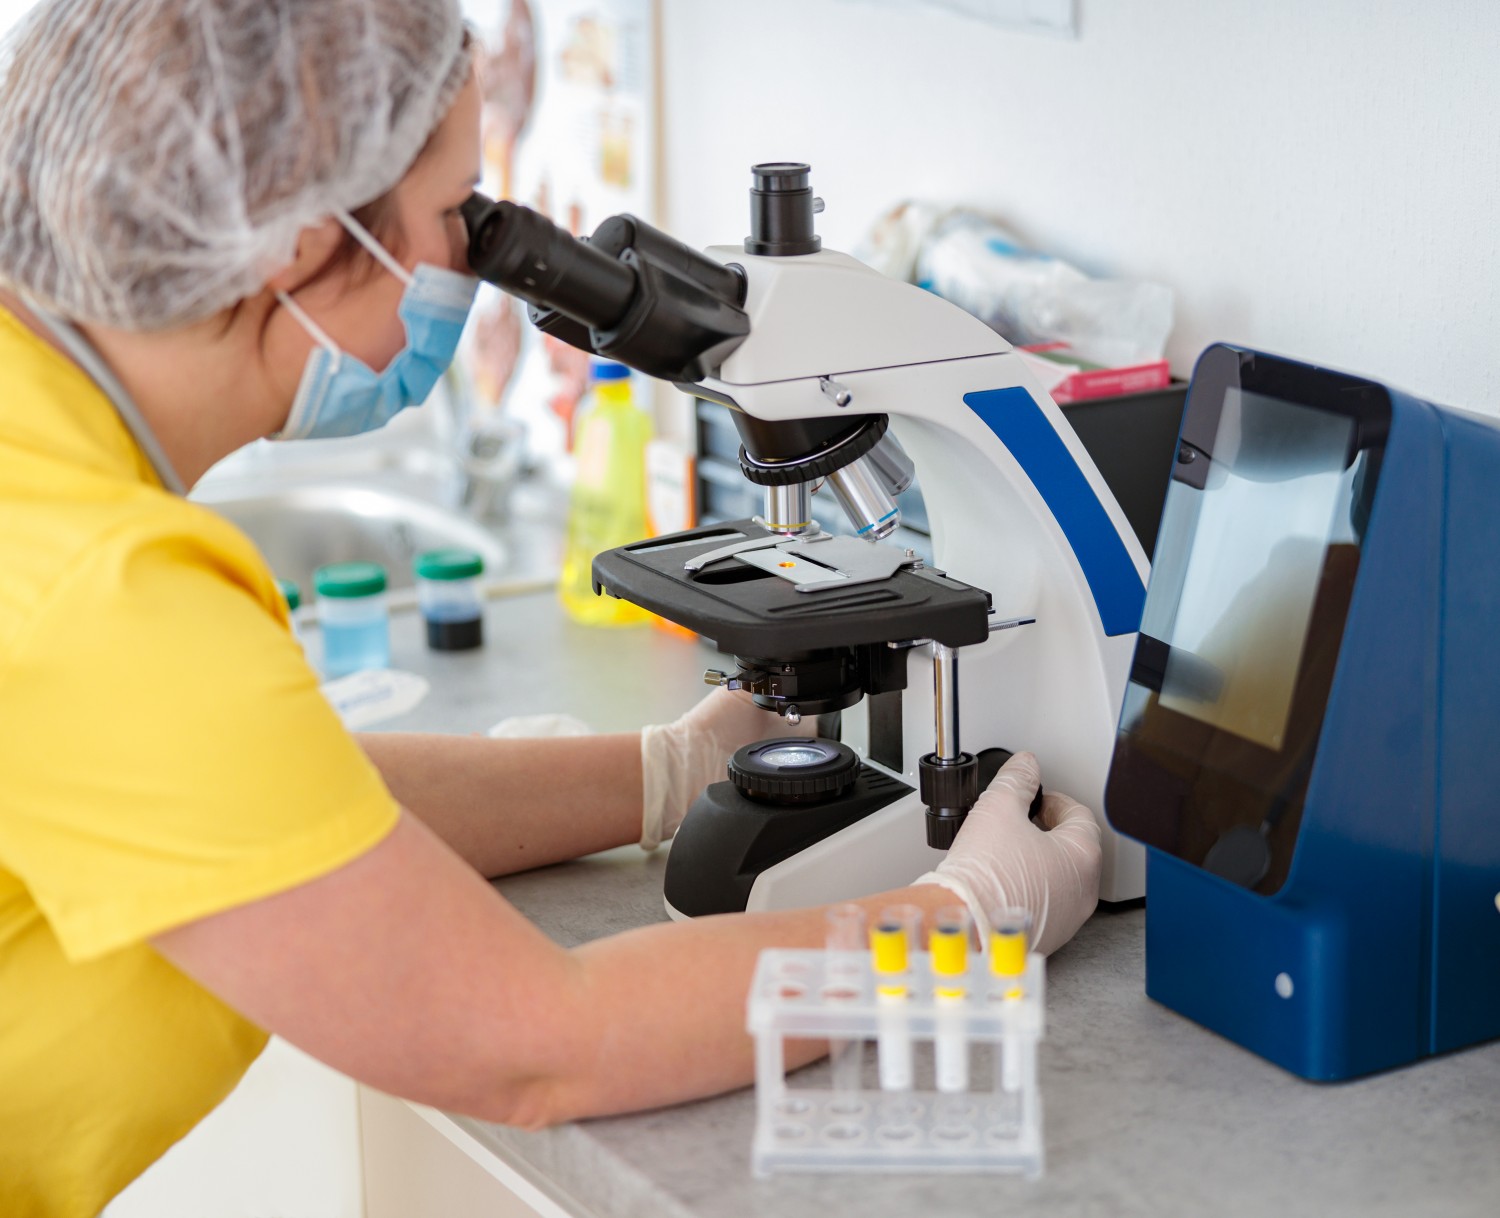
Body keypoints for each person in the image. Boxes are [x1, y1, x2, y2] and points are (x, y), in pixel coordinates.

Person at [0, 2, 1103, 1214]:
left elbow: (282, 803)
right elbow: (536, 1041)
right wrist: (962, 923)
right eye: (460, 218)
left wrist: (661, 774)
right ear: (295, 241)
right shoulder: (103, 597)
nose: (480, 266)